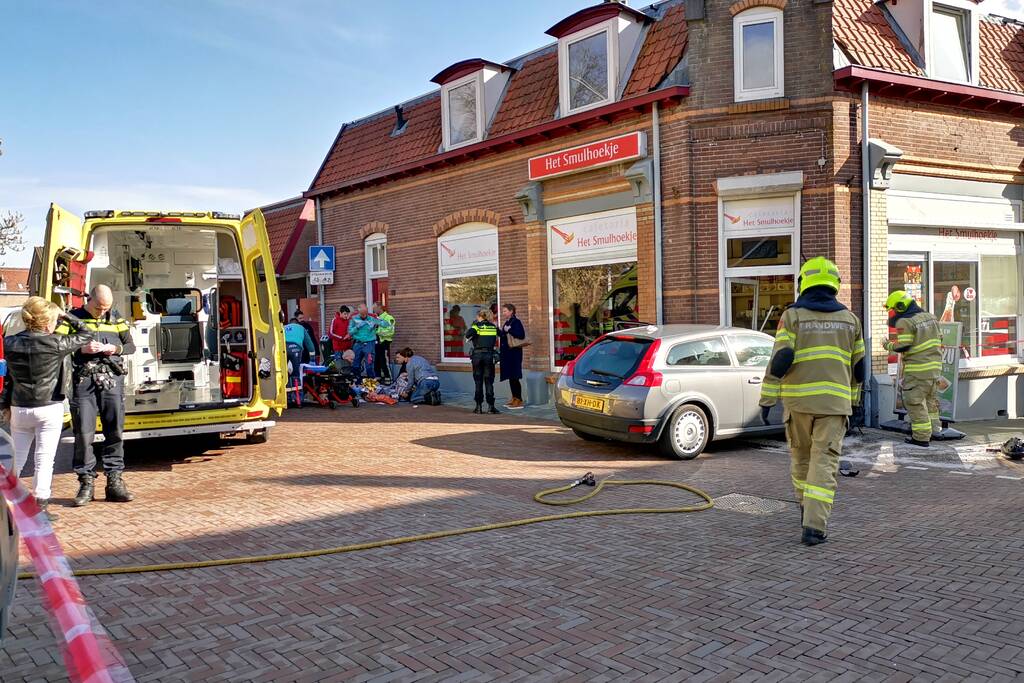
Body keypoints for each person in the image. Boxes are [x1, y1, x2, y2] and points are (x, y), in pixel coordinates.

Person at [759, 257, 865, 547]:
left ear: (803, 282)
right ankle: (814, 527)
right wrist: (854, 405)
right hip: (834, 407)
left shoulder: (792, 317)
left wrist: (767, 398)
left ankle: (806, 509)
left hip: (798, 405)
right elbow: (859, 368)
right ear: (835, 285)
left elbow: (780, 358)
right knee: (824, 463)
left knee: (802, 460)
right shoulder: (850, 320)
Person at [1, 297, 92, 520]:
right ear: (47, 321)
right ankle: (39, 507)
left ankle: (6, 504)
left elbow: (10, 377)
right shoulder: (56, 343)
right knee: (44, 459)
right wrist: (65, 315)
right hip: (48, 406)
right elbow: (86, 333)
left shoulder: (10, 342)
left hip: (19, 406)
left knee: (18, 459)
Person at [57, 284, 136, 506]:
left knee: (115, 431)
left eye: (106, 308)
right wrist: (80, 349)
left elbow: (130, 345)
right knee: (83, 433)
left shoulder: (116, 317)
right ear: (89, 299)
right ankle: (86, 483)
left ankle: (115, 481)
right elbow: (57, 345)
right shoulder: (73, 318)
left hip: (112, 379)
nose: (102, 312)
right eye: (98, 307)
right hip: (84, 381)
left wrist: (115, 350)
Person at [884, 290, 943, 447]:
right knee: (930, 403)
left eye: (893, 309)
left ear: (901, 306)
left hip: (918, 370)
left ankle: (921, 437)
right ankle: (934, 431)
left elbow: (904, 345)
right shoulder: (930, 317)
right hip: (935, 370)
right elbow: (940, 338)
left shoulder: (905, 321)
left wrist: (887, 344)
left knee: (914, 402)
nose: (892, 313)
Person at [466, 309, 499, 414]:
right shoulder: (493, 326)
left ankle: (478, 407)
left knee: (478, 381)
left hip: (477, 356)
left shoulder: (476, 326)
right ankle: (491, 407)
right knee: (489, 381)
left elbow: (467, 334)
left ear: (480, 316)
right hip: (489, 355)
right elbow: (501, 334)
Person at [498, 303, 526, 409]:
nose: (503, 312)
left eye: (505, 311)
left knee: (515, 376)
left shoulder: (516, 322)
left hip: (514, 353)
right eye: (503, 311)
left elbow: (521, 335)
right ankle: (514, 397)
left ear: (511, 311)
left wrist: (509, 329)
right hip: (507, 353)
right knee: (510, 376)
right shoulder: (507, 322)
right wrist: (498, 330)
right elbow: (503, 335)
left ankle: (519, 399)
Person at [348, 304, 381, 378]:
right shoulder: (354, 318)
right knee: (355, 364)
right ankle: (357, 381)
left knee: (369, 365)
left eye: (365, 313)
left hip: (369, 344)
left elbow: (378, 323)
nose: (364, 315)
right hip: (358, 343)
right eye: (362, 314)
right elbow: (350, 331)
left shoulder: (372, 316)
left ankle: (371, 383)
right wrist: (357, 327)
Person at [373, 302, 395, 382]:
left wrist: (378, 332)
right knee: (377, 360)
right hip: (376, 341)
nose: (373, 310)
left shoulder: (389, 318)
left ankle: (388, 377)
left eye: (375, 308)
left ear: (380, 307)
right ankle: (378, 376)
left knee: (384, 360)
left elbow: (391, 331)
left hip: (384, 342)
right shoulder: (376, 318)